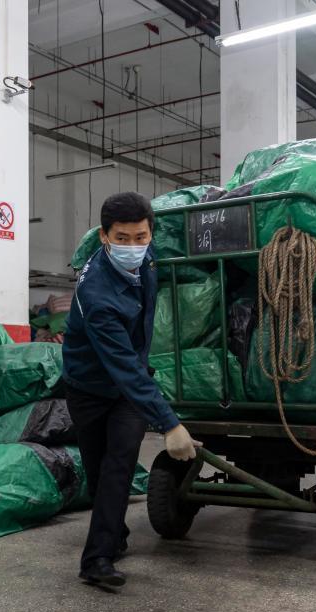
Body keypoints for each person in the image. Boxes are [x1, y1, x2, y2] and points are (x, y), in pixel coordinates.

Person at [62, 191, 201, 589]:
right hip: (89, 387)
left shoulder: (147, 256)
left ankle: (97, 559)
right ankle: (114, 534)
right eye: (122, 238)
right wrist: (170, 424)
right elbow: (122, 366)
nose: (133, 246)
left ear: (150, 233)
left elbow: (130, 369)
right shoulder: (96, 295)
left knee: (119, 464)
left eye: (140, 237)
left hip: (127, 387)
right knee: (97, 471)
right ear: (104, 236)